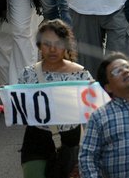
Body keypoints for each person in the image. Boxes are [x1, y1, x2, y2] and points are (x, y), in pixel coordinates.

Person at [17, 20, 92, 178]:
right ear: (39, 46)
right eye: (46, 44)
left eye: (58, 43)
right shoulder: (27, 74)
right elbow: (22, 112)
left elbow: (93, 112)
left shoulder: (81, 75)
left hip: (71, 143)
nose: (52, 49)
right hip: (36, 141)